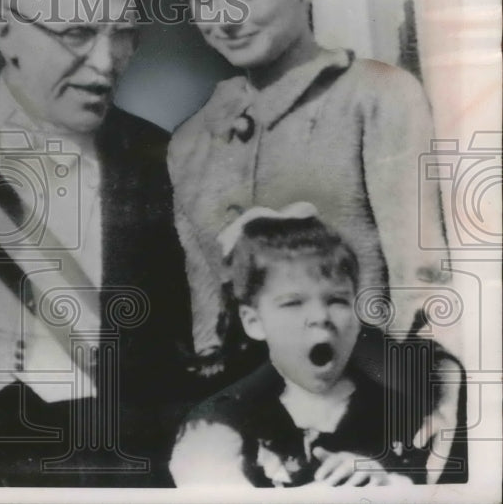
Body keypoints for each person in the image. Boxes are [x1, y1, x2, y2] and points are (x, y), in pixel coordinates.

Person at [166, 0, 465, 482]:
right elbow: (210, 340)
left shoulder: (376, 98)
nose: (224, 19)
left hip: (379, 432)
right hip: (249, 445)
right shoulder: (190, 143)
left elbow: (426, 298)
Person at [0, 0, 193, 486]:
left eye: (123, 35)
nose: (107, 62)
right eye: (78, 33)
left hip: (124, 468)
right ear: (6, 32)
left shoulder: (167, 163)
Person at [170, 206, 435, 487]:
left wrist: (389, 487)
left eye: (337, 300)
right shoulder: (218, 426)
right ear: (254, 322)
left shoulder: (402, 415)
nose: (321, 317)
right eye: (293, 303)